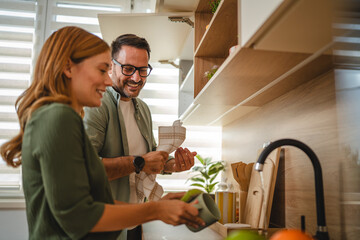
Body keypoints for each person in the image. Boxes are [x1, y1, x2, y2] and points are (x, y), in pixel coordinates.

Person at [0, 26, 204, 240]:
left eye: (142, 70)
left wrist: (159, 205)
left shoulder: (58, 116)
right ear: (68, 68)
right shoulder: (59, 117)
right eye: (101, 70)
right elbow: (78, 216)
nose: (107, 81)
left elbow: (89, 202)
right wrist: (155, 211)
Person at [83, 33, 197, 240]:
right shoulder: (97, 105)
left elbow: (148, 159)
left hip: (134, 222)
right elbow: (86, 170)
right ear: (111, 66)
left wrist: (171, 165)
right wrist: (140, 163)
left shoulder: (142, 109)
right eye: (128, 69)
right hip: (104, 225)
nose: (137, 78)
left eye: (143, 70)